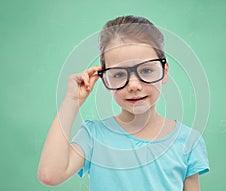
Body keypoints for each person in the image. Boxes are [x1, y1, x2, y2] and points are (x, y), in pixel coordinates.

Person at [38, 15, 209, 191]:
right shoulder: (93, 136)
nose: (134, 85)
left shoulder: (188, 141)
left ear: (164, 72)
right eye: (119, 74)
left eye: (147, 70)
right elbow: (50, 175)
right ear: (105, 79)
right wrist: (72, 101)